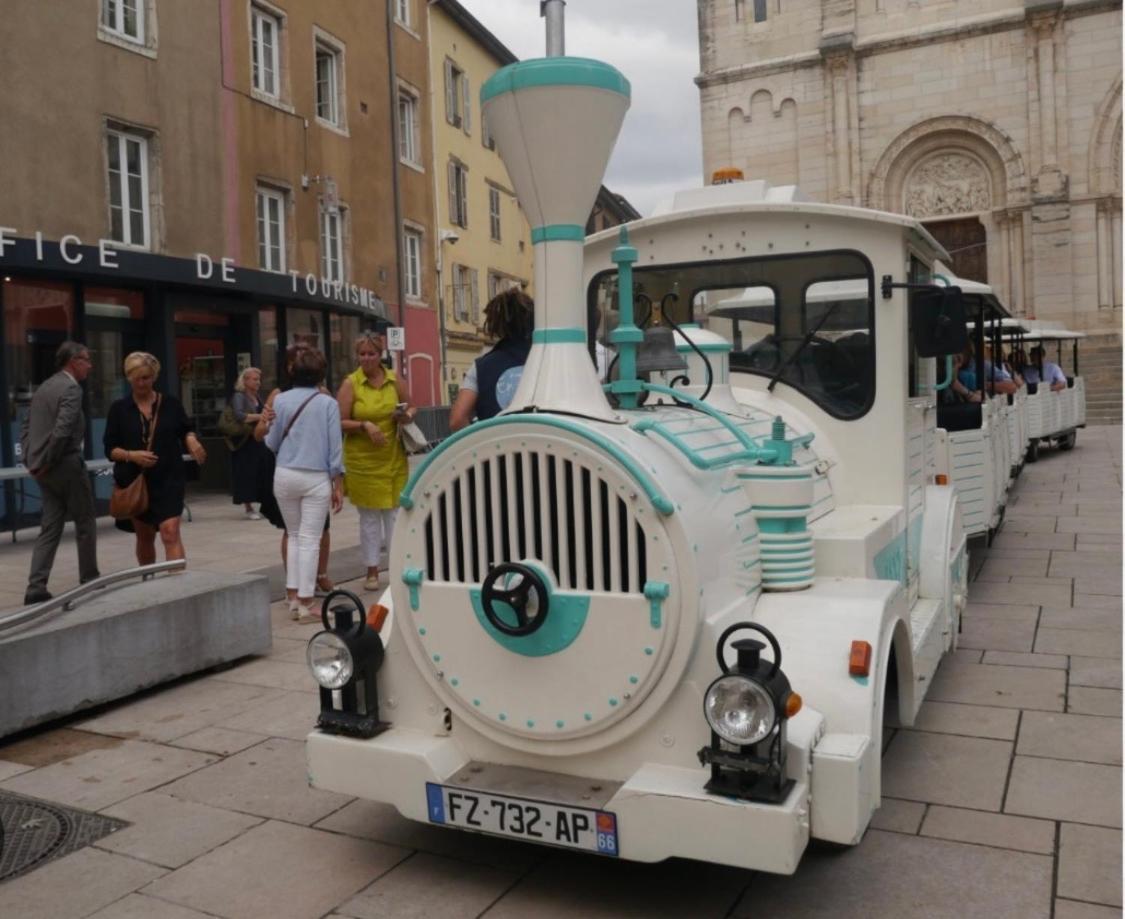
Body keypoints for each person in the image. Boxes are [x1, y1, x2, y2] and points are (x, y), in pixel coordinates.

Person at [104, 352, 207, 566]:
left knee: (170, 532)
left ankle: (178, 586)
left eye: (147, 377)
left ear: (154, 377)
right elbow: (110, 449)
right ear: (129, 377)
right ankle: (149, 582)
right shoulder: (119, 409)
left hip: (169, 478)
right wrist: (132, 455)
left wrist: (191, 439)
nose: (143, 383)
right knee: (145, 536)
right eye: (138, 378)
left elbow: (185, 429)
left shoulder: (170, 404)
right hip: (137, 481)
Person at [264, 347, 344, 619]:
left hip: (285, 473)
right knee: (311, 538)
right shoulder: (328, 403)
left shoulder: (280, 400)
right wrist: (338, 482)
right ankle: (307, 601)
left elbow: (271, 442)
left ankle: (292, 593)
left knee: (295, 535)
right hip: (315, 476)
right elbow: (336, 448)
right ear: (321, 374)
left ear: (291, 371)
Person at [20, 341, 99, 605]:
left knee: (50, 527)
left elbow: (26, 425)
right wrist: (47, 461)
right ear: (74, 361)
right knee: (85, 521)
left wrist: (31, 460)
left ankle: (36, 586)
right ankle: (90, 578)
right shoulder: (70, 388)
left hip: (44, 469)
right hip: (64, 464)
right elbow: (63, 430)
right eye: (86, 360)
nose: (90, 365)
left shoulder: (44, 386)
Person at [338, 329, 414, 591]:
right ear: (356, 356)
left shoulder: (395, 380)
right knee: (369, 518)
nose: (367, 358)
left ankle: (395, 569)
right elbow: (340, 420)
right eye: (362, 354)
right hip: (363, 462)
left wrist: (406, 416)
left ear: (380, 355)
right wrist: (364, 425)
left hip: (392, 457)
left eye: (371, 353)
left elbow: (412, 406)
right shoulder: (351, 383)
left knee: (394, 515)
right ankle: (371, 571)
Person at [449, 288, 534, 432]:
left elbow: (457, 420)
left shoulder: (481, 367)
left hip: (498, 450)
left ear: (496, 324)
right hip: (545, 449)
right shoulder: (548, 359)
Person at [229, 367, 270, 519]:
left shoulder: (257, 396)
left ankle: (263, 504)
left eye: (258, 379)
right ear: (245, 381)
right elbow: (240, 415)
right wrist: (261, 416)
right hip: (244, 441)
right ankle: (248, 507)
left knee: (261, 470)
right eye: (254, 379)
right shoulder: (239, 396)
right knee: (245, 472)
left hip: (257, 439)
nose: (257, 382)